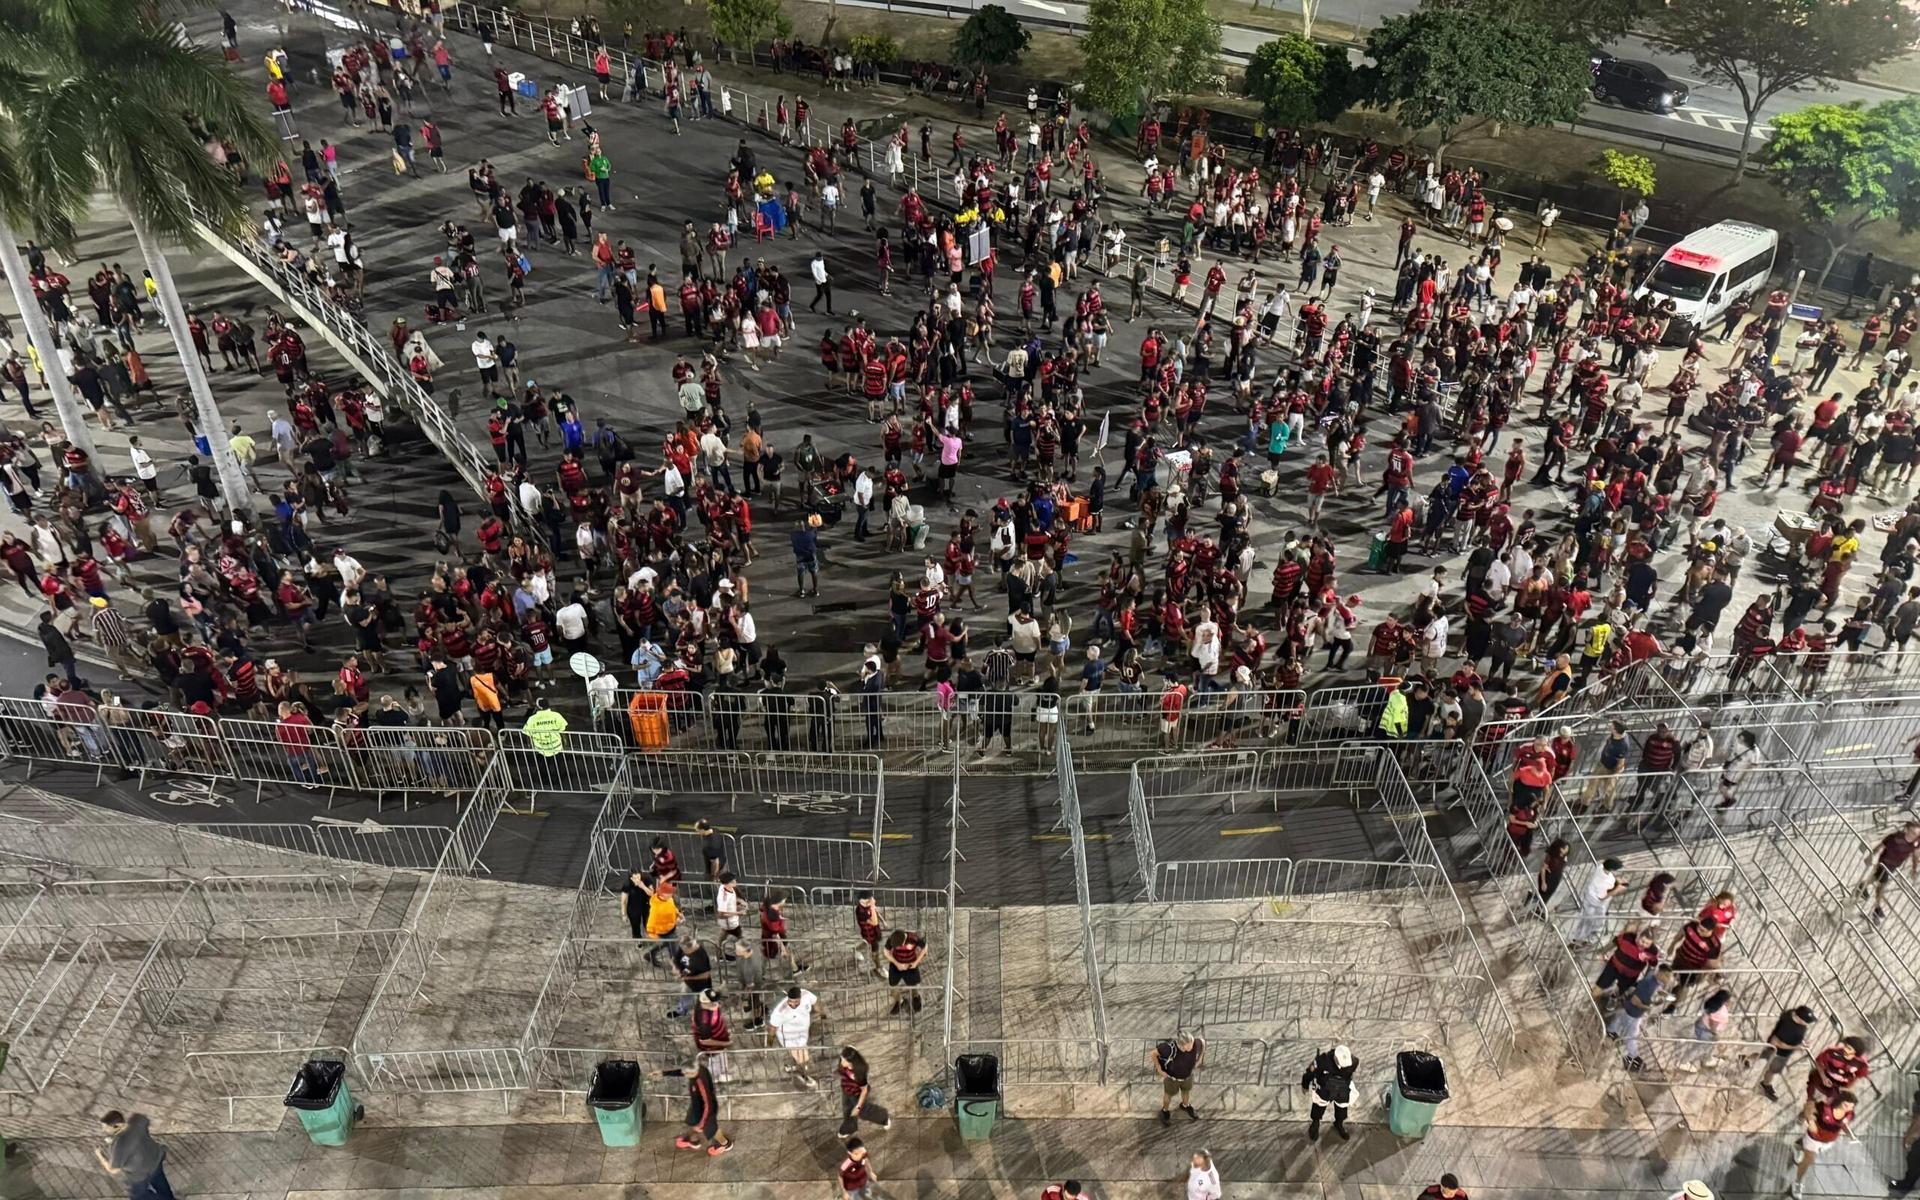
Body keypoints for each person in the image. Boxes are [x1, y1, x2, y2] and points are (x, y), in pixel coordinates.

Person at [656, 1056, 732, 1155]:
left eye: (686, 1074)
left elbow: (707, 1104)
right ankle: (694, 1141)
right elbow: (683, 1071)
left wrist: (702, 1122)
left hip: (708, 1109)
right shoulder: (698, 1068)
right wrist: (663, 1073)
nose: (684, 1075)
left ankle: (725, 1144)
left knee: (711, 1129)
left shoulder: (700, 1083)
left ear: (692, 1073)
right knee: (691, 1121)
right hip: (698, 1104)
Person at [1791, 1089, 1855, 1197]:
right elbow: (1809, 1110)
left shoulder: (1849, 1114)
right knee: (1809, 1159)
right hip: (1814, 1139)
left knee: (1808, 1151)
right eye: (1847, 1106)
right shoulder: (1824, 1108)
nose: (1850, 1109)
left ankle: (1798, 1145)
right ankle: (1798, 1182)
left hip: (1828, 1141)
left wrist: (1851, 1135)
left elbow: (1843, 1124)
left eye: (1851, 1107)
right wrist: (1809, 1121)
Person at [1757, 1004, 1816, 1100]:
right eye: (1807, 1021)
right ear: (1799, 1018)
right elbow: (1776, 1042)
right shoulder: (1789, 1026)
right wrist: (1797, 1047)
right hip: (1779, 1053)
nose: (1808, 1024)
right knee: (1773, 1070)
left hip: (1777, 1050)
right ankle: (1765, 1084)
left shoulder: (1792, 1014)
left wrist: (1800, 1041)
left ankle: (1746, 1058)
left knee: (1763, 1055)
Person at [768, 985, 820, 1087]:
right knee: (803, 1059)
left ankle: (792, 1065)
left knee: (802, 1057)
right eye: (790, 1001)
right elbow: (773, 1027)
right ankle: (805, 1076)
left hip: (802, 1034)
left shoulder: (806, 995)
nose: (793, 1004)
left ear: (800, 998)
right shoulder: (780, 1011)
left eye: (796, 1002)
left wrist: (822, 1013)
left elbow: (816, 1002)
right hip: (788, 1037)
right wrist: (770, 1042)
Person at [1300, 1043, 1356, 1140]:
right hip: (1324, 1089)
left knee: (1342, 1108)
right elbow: (1310, 1073)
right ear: (1335, 1057)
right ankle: (1315, 1125)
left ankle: (1338, 1124)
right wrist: (1305, 1085)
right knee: (1319, 1107)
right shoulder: (1322, 1061)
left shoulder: (1353, 1062)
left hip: (1342, 1090)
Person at [1150, 1031, 1204, 1123]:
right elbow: (1153, 1053)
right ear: (1182, 1045)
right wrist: (1159, 1069)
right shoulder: (1169, 1049)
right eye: (1189, 1045)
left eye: (1192, 1043)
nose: (1192, 1047)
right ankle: (1165, 1111)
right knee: (1168, 1095)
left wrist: (1200, 1059)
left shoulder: (1195, 1043)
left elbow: (1203, 1042)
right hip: (1172, 1078)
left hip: (1187, 1076)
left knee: (1186, 1092)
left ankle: (1185, 1105)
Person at [836, 1046, 892, 1135]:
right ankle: (849, 1128)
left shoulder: (860, 1071)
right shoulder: (845, 1064)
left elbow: (864, 1090)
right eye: (841, 1059)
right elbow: (850, 1048)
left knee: (863, 1112)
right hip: (847, 1089)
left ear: (851, 1061)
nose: (841, 1062)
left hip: (858, 1092)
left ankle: (883, 1116)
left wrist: (858, 1107)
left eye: (844, 1060)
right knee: (847, 1110)